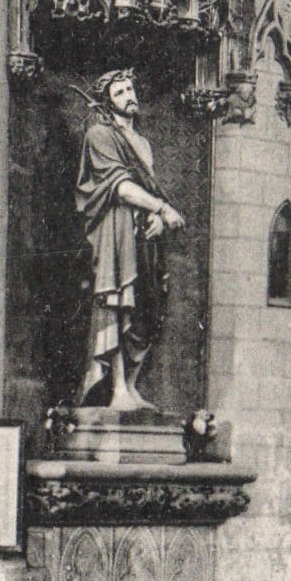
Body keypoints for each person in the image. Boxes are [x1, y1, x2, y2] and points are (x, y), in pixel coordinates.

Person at [75, 69, 184, 410]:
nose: (128, 95)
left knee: (148, 308)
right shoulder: (99, 134)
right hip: (117, 233)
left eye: (130, 88)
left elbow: (147, 188)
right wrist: (162, 209)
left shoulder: (143, 143)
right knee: (121, 302)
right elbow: (118, 186)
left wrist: (157, 219)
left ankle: (132, 386)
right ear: (107, 101)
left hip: (145, 236)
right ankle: (117, 388)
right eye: (119, 92)